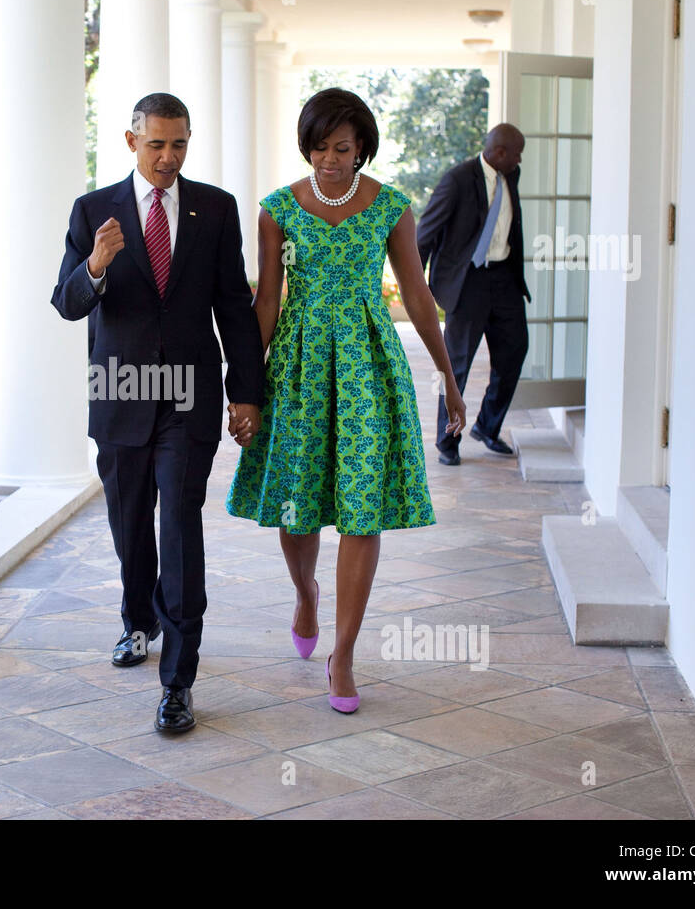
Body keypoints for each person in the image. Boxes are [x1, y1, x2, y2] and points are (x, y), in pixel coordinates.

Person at [225, 87, 465, 713]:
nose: (328, 159)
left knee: (362, 511)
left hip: (368, 368)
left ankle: (345, 654)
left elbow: (416, 295)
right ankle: (304, 594)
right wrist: (245, 388)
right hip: (300, 371)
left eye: (341, 148)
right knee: (297, 508)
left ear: (361, 150)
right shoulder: (278, 208)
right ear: (305, 145)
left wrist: (449, 376)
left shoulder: (391, 207)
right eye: (319, 146)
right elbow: (268, 301)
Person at [50, 92, 265, 734]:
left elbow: (233, 303)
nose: (168, 157)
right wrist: (97, 264)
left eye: (179, 144)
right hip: (120, 390)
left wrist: (244, 390)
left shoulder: (216, 209)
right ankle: (136, 621)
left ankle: (178, 679)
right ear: (130, 141)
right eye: (156, 145)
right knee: (129, 526)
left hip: (188, 396)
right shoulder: (94, 211)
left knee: (179, 522)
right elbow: (65, 302)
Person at [416, 124, 531, 465]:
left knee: (515, 351)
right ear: (499, 153)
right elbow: (426, 234)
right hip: (468, 283)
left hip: (505, 278)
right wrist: (416, 287)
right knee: (456, 366)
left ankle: (486, 426)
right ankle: (447, 442)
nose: (520, 159)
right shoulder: (458, 179)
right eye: (517, 152)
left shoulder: (511, 176)